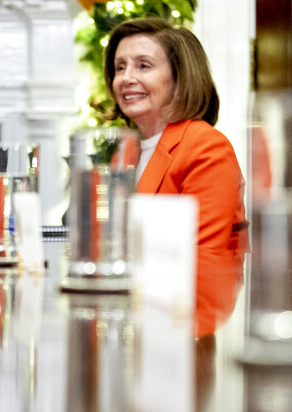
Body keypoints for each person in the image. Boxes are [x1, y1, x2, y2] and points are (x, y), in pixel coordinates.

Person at [104, 17, 247, 254]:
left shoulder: (206, 146)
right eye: (120, 67)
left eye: (143, 65)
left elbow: (201, 255)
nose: (126, 78)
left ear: (180, 77)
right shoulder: (125, 152)